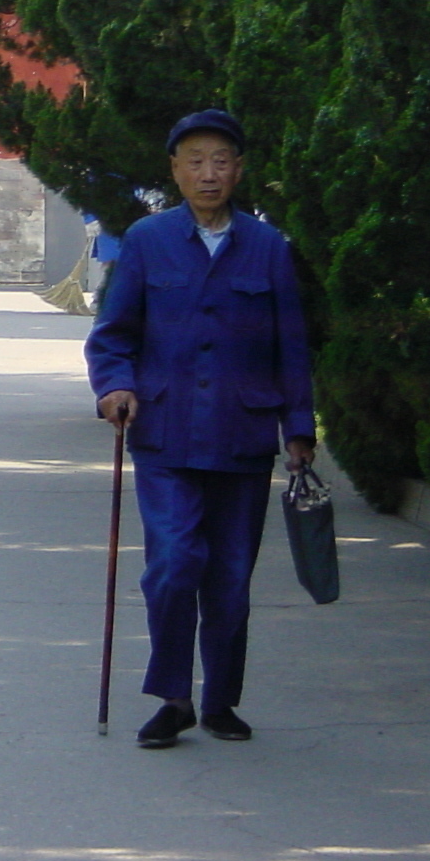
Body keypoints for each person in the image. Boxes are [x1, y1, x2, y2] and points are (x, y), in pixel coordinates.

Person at [86, 109, 315, 750]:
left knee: (231, 577)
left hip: (242, 434)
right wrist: (115, 386)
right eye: (195, 161)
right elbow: (113, 335)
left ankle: (220, 700)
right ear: (175, 172)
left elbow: (291, 347)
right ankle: (172, 697)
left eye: (221, 160)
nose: (208, 173)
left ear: (239, 170)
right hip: (165, 433)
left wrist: (299, 428)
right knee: (173, 564)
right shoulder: (147, 240)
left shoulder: (269, 249)